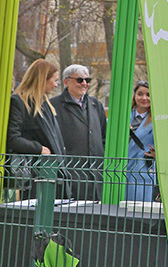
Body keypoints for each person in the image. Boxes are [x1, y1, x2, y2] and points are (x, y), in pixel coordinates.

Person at [7, 59, 68, 197]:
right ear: (43, 79)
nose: (56, 85)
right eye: (54, 80)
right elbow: (13, 139)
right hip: (32, 177)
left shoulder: (45, 104)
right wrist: (39, 148)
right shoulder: (19, 102)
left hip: (49, 174)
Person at [50, 63, 107, 200]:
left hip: (95, 175)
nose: (84, 84)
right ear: (66, 82)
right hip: (70, 173)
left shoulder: (96, 105)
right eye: (79, 80)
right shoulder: (53, 105)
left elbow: (103, 136)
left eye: (87, 80)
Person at [126, 81, 156, 201]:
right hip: (120, 168)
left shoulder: (157, 120)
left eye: (148, 95)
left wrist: (156, 153)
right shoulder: (124, 115)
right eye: (140, 94)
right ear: (134, 95)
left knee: (139, 208)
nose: (144, 98)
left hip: (141, 170)